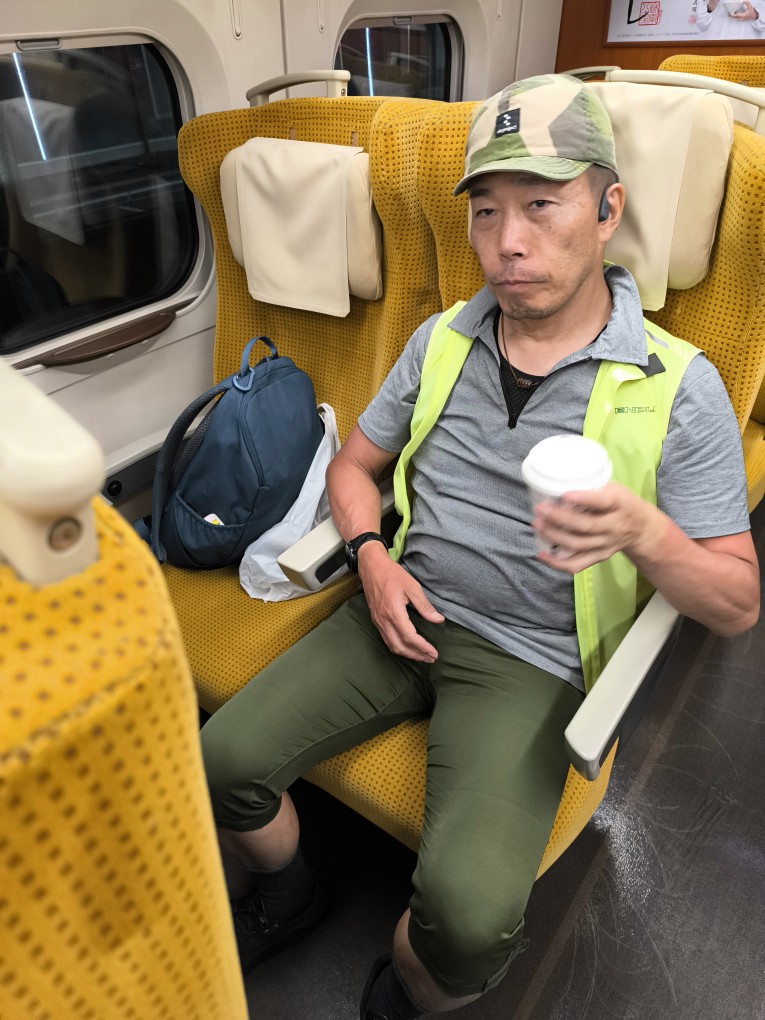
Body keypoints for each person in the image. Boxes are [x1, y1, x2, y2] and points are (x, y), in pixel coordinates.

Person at [201, 74, 760, 1018]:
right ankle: (290, 894)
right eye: (487, 210)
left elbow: (736, 604)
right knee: (218, 763)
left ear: (607, 210)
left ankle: (401, 995)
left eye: (542, 204)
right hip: (397, 608)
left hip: (531, 661)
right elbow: (354, 470)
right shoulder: (441, 341)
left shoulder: (678, 385)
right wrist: (371, 559)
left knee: (464, 931)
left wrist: (642, 529)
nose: (507, 241)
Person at [695, 0, 765, 39]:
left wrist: (754, 14)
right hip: (715, 46)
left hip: (748, 46)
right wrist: (712, 2)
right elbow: (702, 24)